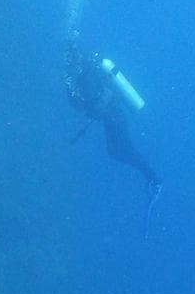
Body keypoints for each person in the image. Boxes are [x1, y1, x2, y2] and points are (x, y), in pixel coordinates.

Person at [64, 44, 163, 201]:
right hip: (110, 119)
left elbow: (99, 100)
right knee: (115, 152)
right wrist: (73, 95)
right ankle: (151, 177)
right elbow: (82, 105)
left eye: (71, 57)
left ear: (77, 56)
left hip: (115, 117)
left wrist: (85, 104)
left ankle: (154, 179)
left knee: (126, 149)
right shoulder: (81, 76)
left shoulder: (88, 73)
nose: (70, 62)